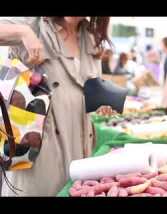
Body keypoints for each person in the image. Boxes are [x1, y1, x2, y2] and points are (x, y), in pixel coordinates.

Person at [0, 17, 115, 196]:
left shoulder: (91, 39)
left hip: (80, 158)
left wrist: (101, 102)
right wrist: (22, 32)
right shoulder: (34, 24)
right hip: (36, 163)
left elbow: (87, 93)